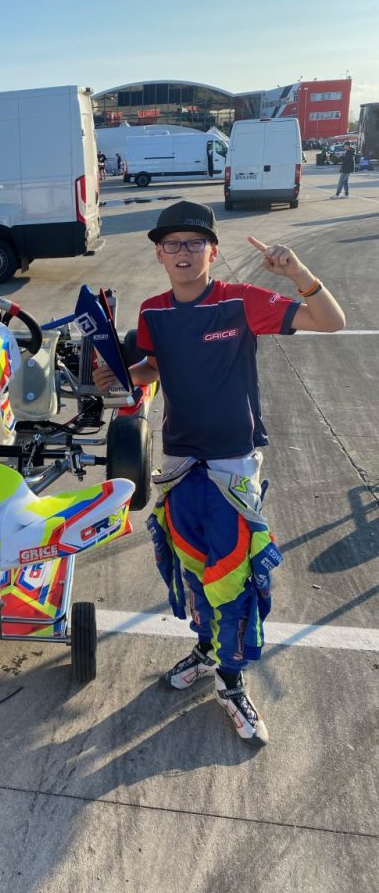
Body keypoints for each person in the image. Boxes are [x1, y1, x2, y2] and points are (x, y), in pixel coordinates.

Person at [94, 200, 345, 746]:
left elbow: (331, 321)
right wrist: (113, 374)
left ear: (213, 249)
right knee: (192, 569)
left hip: (232, 465)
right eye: (171, 244)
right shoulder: (154, 311)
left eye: (193, 243)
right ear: (158, 253)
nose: (182, 253)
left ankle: (231, 681)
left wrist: (296, 272)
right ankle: (207, 650)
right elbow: (153, 368)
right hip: (180, 463)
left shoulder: (240, 301)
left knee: (233, 576)